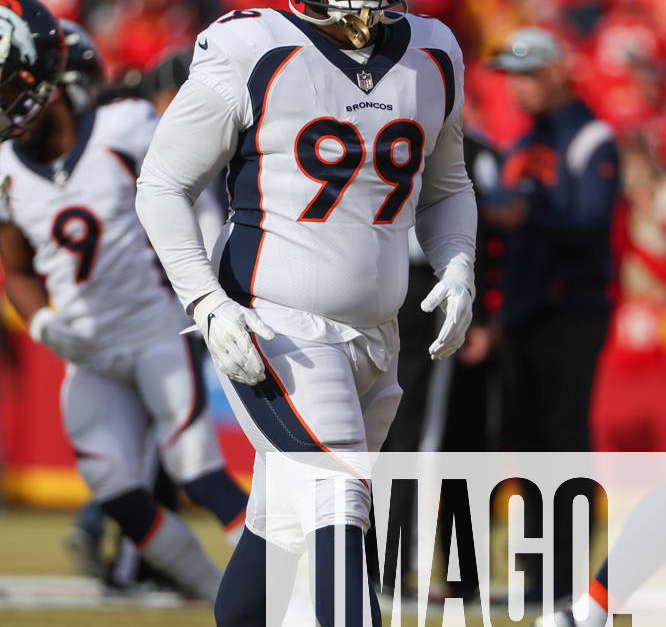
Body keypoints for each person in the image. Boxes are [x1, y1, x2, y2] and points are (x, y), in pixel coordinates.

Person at [136, 1, 478, 625]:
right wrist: (206, 302)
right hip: (277, 322)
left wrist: (458, 265)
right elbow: (162, 183)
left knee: (281, 531)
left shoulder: (434, 50)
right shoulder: (250, 44)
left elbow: (447, 186)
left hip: (378, 332)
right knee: (341, 500)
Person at [0, 1, 246, 602]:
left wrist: (209, 274)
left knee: (200, 473)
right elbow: (16, 268)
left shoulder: (125, 125)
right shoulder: (5, 167)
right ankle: (219, 596)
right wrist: (44, 325)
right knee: (117, 494)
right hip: (88, 351)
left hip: (156, 330)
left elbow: (194, 193)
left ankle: (301, 581)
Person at [487, 27, 620, 601]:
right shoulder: (520, 144)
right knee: (527, 441)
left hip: (571, 313)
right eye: (511, 77)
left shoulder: (591, 138)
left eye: (527, 75)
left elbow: (591, 221)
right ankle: (538, 572)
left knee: (564, 440)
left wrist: (525, 217)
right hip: (522, 316)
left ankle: (564, 576)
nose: (517, 89)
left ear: (556, 72)